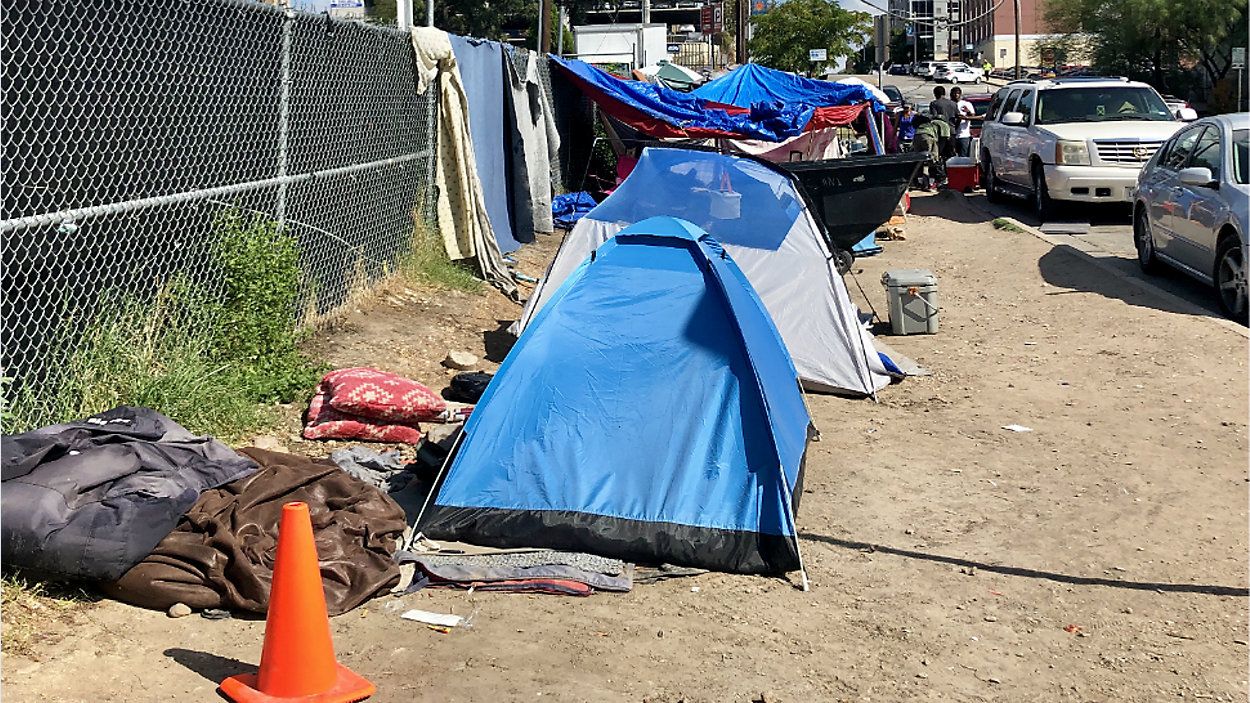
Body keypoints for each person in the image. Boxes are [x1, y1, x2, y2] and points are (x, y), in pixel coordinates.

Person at [911, 114, 951, 190]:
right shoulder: (944, 124)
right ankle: (938, 181)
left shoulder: (930, 123)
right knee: (933, 160)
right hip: (928, 136)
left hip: (916, 136)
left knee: (919, 161)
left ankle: (918, 182)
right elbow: (944, 139)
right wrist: (939, 152)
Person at [928, 86, 960, 160]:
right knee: (951, 153)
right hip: (951, 131)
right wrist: (955, 126)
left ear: (935, 94)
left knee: (939, 153)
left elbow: (934, 117)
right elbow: (959, 117)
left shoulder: (934, 103)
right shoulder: (953, 104)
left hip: (939, 132)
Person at [951, 86, 979, 157]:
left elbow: (973, 116)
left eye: (957, 93)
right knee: (951, 157)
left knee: (963, 157)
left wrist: (968, 112)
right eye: (954, 93)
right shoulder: (949, 104)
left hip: (963, 135)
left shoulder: (966, 104)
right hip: (951, 135)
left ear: (960, 94)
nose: (956, 95)